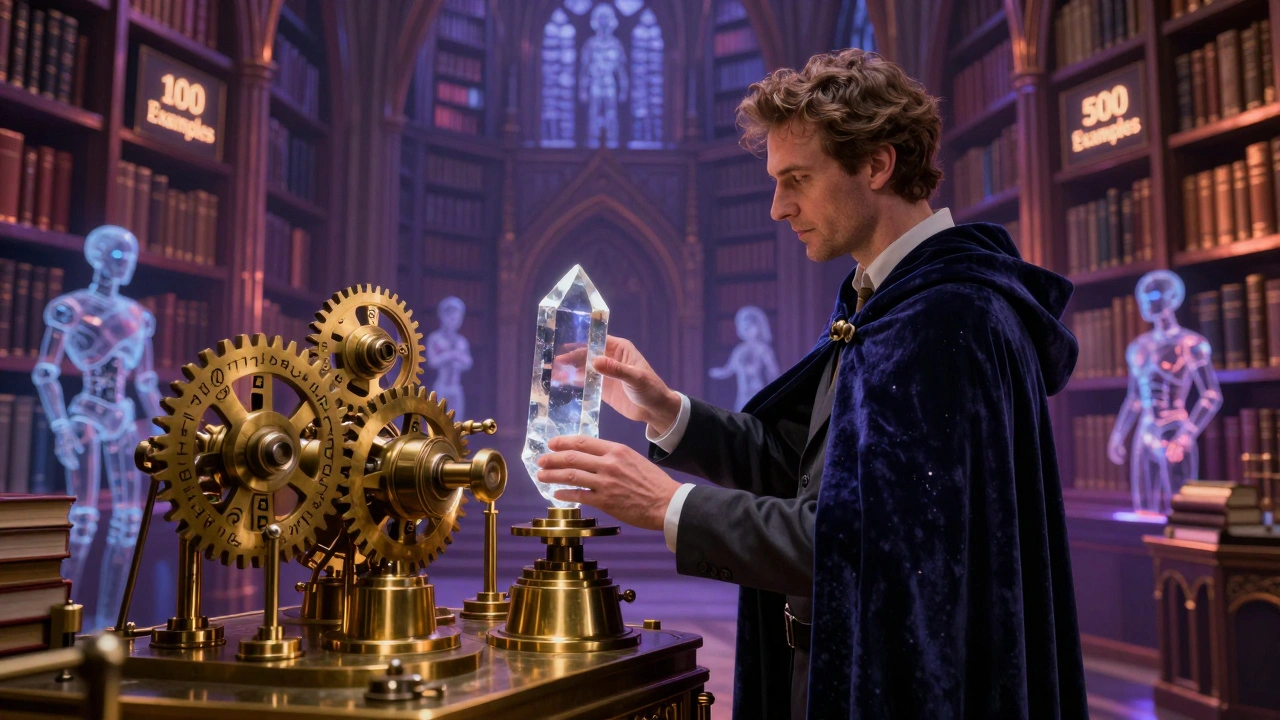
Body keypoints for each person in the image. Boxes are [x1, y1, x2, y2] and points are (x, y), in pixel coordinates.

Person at [537, 48, 1087, 719]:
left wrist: (667, 505)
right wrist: (665, 409)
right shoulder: (887, 301)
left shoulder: (945, 319)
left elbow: (873, 544)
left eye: (796, 178)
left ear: (877, 164)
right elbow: (799, 468)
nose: (777, 207)